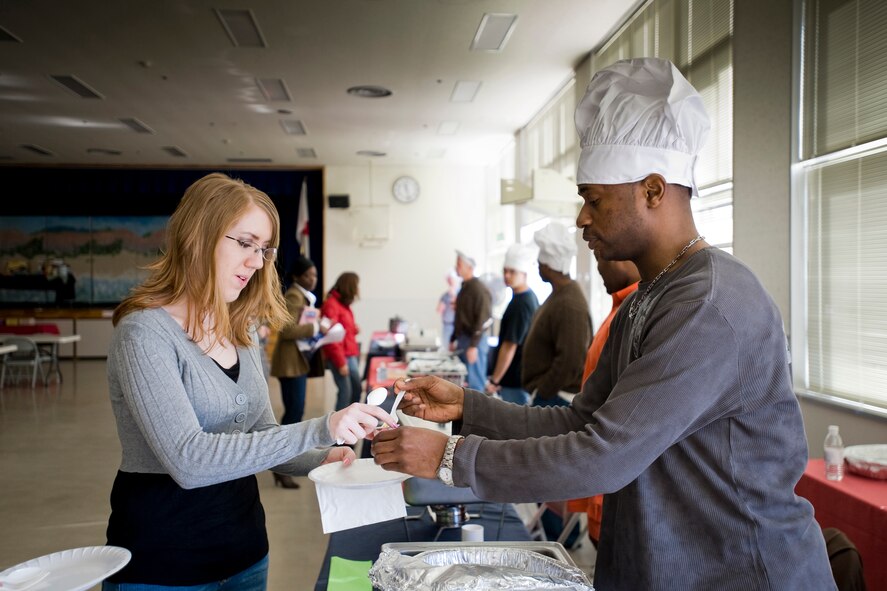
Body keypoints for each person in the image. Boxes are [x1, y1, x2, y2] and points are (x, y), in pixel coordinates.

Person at [372, 58, 834, 590]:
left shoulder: (709, 303)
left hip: (742, 571)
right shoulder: (649, 298)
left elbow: (602, 457)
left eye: (594, 200)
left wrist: (451, 459)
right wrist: (467, 406)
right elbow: (581, 424)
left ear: (654, 190)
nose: (581, 219)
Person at [103, 173, 394, 590]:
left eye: (264, 250)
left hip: (244, 552)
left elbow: (261, 437)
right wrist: (321, 428)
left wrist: (319, 458)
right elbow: (189, 460)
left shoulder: (241, 333)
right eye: (245, 243)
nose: (257, 262)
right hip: (164, 564)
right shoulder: (144, 335)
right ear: (197, 236)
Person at [566, 255, 640, 544]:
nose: (597, 268)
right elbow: (587, 411)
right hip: (598, 470)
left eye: (601, 259)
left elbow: (621, 425)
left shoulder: (638, 314)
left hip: (611, 482)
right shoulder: (621, 309)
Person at [268, 255, 325, 489]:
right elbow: (287, 330)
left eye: (315, 275)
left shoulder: (303, 296)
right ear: (297, 277)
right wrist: (316, 327)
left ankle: (282, 462)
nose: (313, 279)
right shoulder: (293, 295)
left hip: (296, 361)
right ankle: (281, 465)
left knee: (296, 411)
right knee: (293, 414)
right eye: (308, 275)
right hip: (289, 364)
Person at [521, 222, 592, 407]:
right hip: (549, 396)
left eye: (541, 262)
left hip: (555, 398)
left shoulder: (569, 304)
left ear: (551, 266)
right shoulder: (558, 295)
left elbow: (571, 360)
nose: (538, 266)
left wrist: (543, 391)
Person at [485, 243, 539, 404]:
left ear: (524, 274)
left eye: (512, 272)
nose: (507, 275)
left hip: (514, 381)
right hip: (516, 378)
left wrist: (495, 380)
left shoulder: (521, 304)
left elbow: (510, 346)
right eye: (505, 271)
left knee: (513, 428)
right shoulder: (525, 297)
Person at [450, 250, 492, 391]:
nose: (456, 267)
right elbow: (460, 316)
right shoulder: (465, 287)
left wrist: (473, 346)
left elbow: (483, 320)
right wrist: (453, 338)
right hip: (463, 339)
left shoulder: (478, 289)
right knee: (465, 382)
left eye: (459, 264)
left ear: (470, 268)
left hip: (475, 341)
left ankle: (477, 413)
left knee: (475, 384)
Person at [322, 271, 361, 411]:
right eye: (356, 285)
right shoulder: (331, 305)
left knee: (356, 389)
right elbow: (331, 338)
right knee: (346, 393)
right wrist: (341, 362)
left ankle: (352, 420)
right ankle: (338, 427)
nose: (358, 290)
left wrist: (354, 329)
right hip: (341, 356)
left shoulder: (343, 304)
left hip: (350, 353)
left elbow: (343, 328)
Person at [436, 269, 461, 348]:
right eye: (448, 279)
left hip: (458, 326)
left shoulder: (461, 293)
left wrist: (454, 297)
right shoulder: (445, 295)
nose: (450, 281)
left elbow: (458, 309)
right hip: (447, 326)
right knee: (446, 347)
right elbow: (439, 310)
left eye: (451, 279)